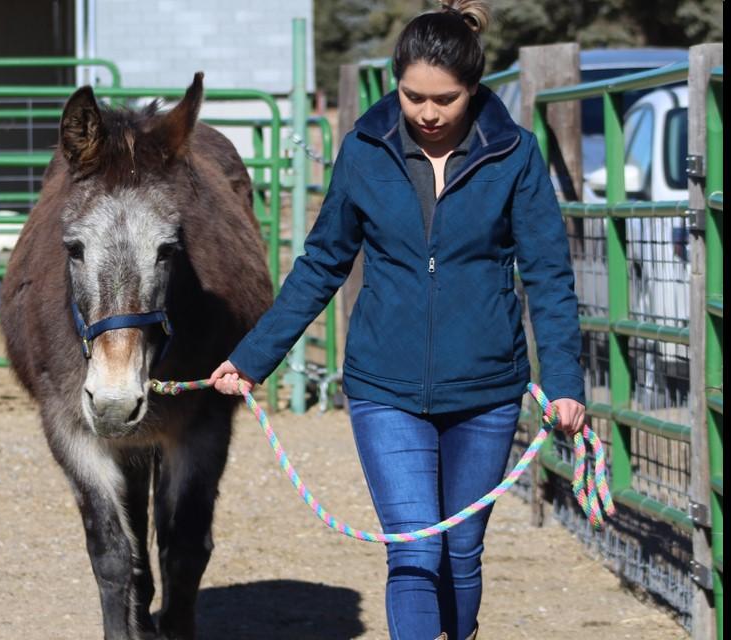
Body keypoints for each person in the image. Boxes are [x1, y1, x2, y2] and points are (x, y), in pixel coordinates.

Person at [210, 2, 585, 638]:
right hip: (384, 387)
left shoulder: (517, 157)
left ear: (474, 88)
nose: (429, 114)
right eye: (413, 97)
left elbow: (549, 277)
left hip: (486, 389)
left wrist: (568, 382)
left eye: (447, 99)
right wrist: (253, 357)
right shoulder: (363, 151)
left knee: (461, 554)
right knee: (414, 551)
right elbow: (323, 262)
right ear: (395, 83)